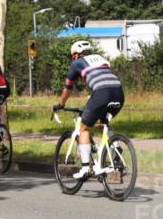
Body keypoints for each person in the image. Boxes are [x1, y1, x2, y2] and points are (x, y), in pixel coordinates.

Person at [53, 40, 124, 179]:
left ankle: (86, 168)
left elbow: (68, 88)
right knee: (102, 122)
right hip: (119, 92)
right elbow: (103, 78)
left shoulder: (76, 63)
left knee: (83, 127)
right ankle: (115, 147)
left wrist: (60, 104)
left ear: (75, 55)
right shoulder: (101, 59)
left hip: (102, 93)